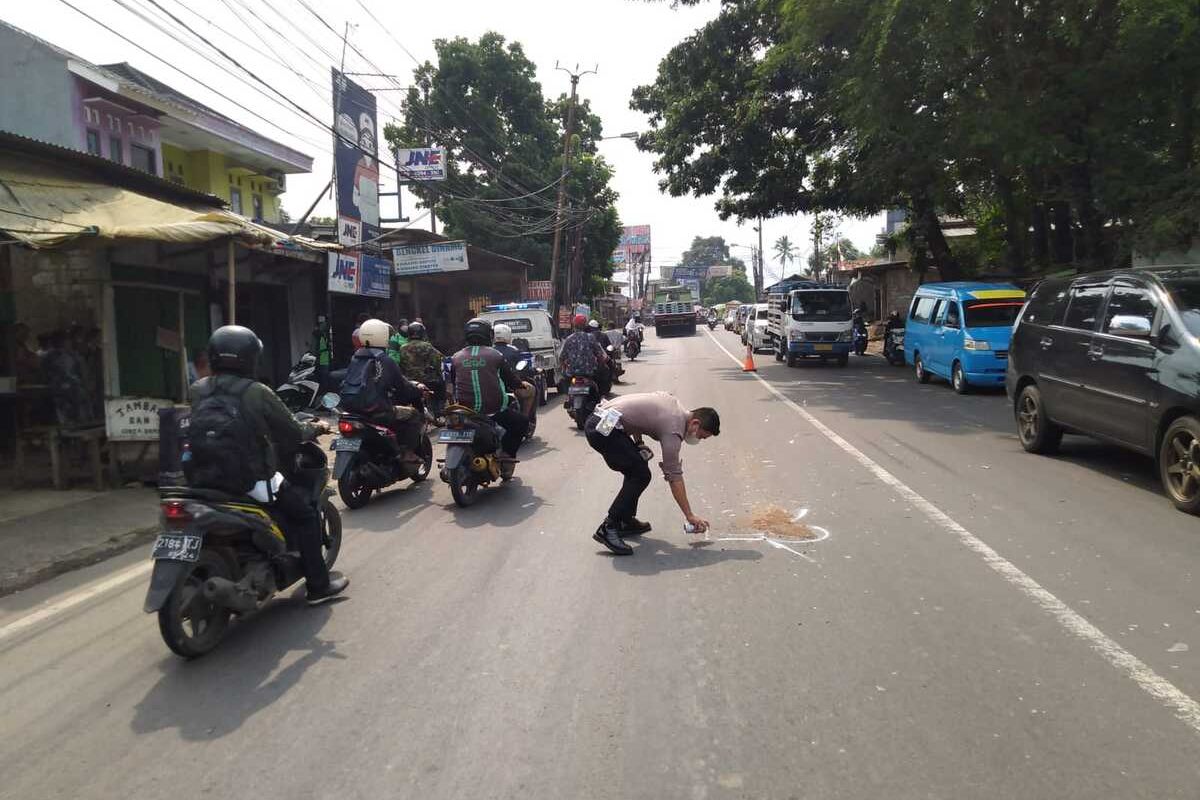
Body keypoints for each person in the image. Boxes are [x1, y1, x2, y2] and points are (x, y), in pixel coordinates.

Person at [190, 325, 349, 604]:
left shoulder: (198, 390)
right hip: (247, 480)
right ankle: (318, 587)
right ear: (250, 358)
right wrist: (318, 426)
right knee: (306, 514)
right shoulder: (256, 392)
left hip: (201, 479)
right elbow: (294, 431)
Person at [585, 392, 720, 555]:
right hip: (603, 428)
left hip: (603, 419)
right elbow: (674, 477)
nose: (698, 439)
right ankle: (609, 526)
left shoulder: (672, 402)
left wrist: (638, 443)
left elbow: (635, 414)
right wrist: (689, 515)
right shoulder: (673, 431)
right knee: (640, 475)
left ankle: (625, 521)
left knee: (637, 467)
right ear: (695, 423)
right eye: (701, 436)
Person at [448, 318, 529, 466]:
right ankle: (507, 454)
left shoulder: (456, 357)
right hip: (493, 410)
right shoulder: (495, 355)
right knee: (522, 423)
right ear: (488, 335)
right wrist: (520, 385)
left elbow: (454, 381)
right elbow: (510, 379)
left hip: (465, 410)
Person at [341, 318, 426, 452]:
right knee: (413, 414)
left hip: (352, 411)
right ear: (382, 336)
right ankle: (407, 453)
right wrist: (417, 391)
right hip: (377, 411)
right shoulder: (386, 360)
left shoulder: (355, 358)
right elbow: (402, 388)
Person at [398, 321, 445, 416]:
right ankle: (438, 410)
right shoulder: (427, 346)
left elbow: (401, 365)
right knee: (441, 384)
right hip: (428, 381)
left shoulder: (402, 348)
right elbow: (437, 361)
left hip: (410, 382)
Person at [492, 323, 536, 421]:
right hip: (512, 386)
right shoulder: (514, 350)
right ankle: (525, 418)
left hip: (492, 387)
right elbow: (522, 368)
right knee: (532, 390)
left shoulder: (489, 351)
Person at [560, 314, 608, 393]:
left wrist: (564, 368)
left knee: (563, 379)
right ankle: (602, 396)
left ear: (574, 325)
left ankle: (568, 397)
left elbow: (561, 357)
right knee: (604, 373)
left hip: (572, 372)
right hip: (589, 371)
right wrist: (602, 364)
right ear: (585, 325)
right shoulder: (591, 337)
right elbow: (599, 354)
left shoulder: (569, 339)